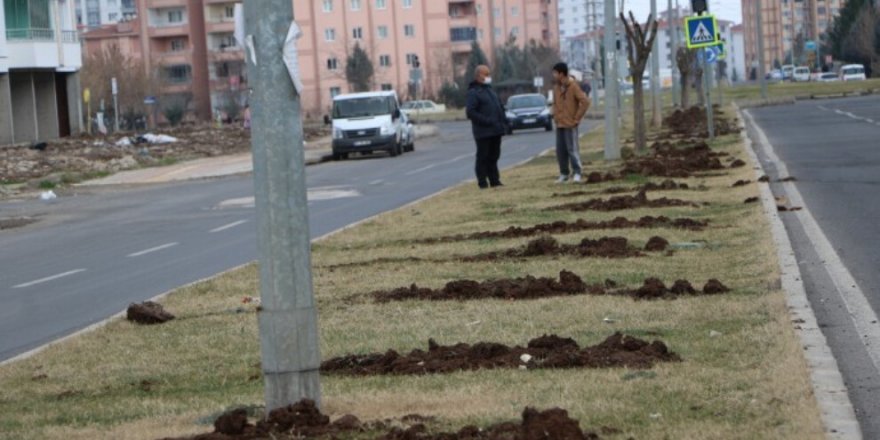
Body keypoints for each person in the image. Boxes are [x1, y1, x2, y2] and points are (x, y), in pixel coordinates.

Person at [466, 64, 507, 189]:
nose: (489, 77)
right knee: (483, 157)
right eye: (486, 74)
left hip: (496, 130)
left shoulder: (490, 90)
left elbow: (499, 107)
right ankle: (482, 182)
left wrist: (503, 121)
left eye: (489, 74)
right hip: (483, 132)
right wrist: (487, 121)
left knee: (494, 156)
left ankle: (494, 180)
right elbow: (471, 112)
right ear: (479, 76)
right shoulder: (474, 92)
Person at [551, 62, 590, 183]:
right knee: (560, 150)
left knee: (572, 149)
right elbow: (555, 103)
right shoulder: (556, 88)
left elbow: (585, 102)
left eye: (555, 73)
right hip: (560, 124)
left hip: (570, 124)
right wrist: (555, 115)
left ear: (561, 74)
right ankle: (564, 173)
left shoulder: (573, 87)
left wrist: (576, 118)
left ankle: (577, 172)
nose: (554, 75)